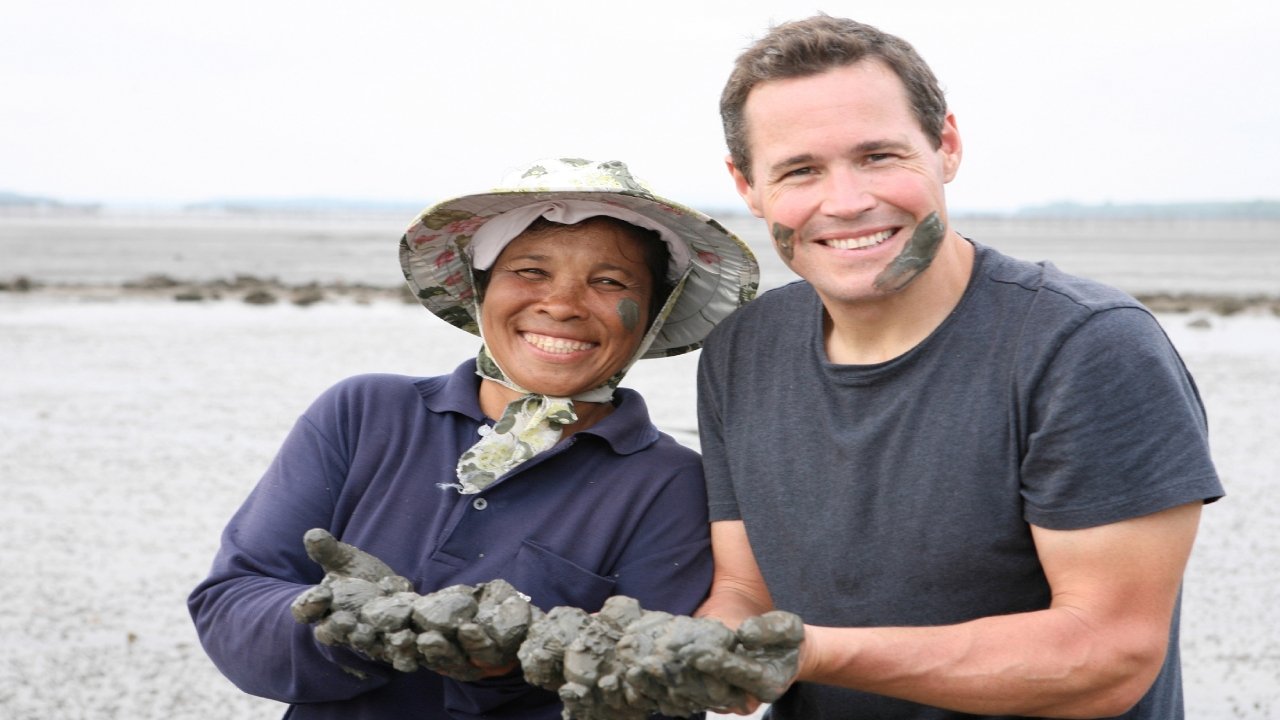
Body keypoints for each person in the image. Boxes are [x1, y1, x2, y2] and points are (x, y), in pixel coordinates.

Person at [693, 15, 1224, 719]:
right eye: (801, 170)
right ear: (747, 186)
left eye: (879, 156)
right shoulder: (743, 348)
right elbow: (746, 591)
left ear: (946, 145)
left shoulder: (1086, 349)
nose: (847, 201)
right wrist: (700, 651)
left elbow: (1108, 654)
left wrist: (810, 653)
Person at [188, 157, 759, 720]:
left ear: (655, 314)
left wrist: (509, 664)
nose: (560, 305)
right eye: (530, 272)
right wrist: (349, 630)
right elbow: (232, 600)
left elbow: (653, 698)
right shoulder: (364, 414)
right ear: (477, 288)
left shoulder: (670, 483)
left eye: (609, 282)